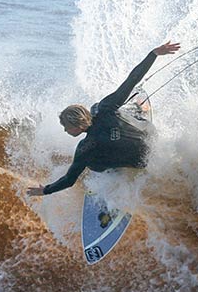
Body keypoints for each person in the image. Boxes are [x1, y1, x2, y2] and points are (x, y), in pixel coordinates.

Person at [27, 41, 181, 197]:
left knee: (93, 164)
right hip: (150, 137)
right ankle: (138, 108)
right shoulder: (105, 109)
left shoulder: (85, 147)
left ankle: (116, 167)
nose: (65, 130)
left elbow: (69, 179)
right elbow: (131, 80)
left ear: (77, 126)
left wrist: (45, 190)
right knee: (105, 108)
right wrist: (153, 54)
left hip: (140, 162)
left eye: (66, 126)